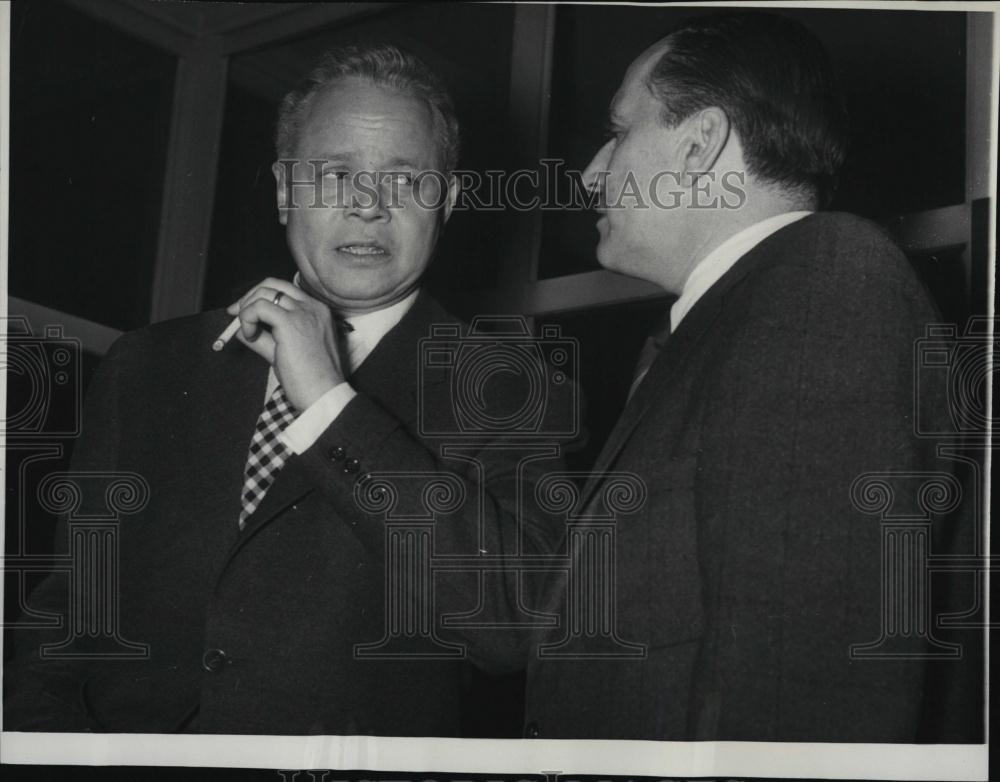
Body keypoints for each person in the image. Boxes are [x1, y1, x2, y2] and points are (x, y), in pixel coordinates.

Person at [5, 43, 573, 736]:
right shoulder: (148, 366)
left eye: (405, 181)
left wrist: (331, 405)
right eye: (336, 175)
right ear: (283, 190)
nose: (368, 208)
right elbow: (69, 608)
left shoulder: (511, 385)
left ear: (446, 202)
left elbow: (515, 627)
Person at [522, 12, 956, 741]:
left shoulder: (825, 282)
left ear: (700, 143)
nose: (593, 172)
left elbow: (803, 694)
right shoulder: (731, 322)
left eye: (619, 132)